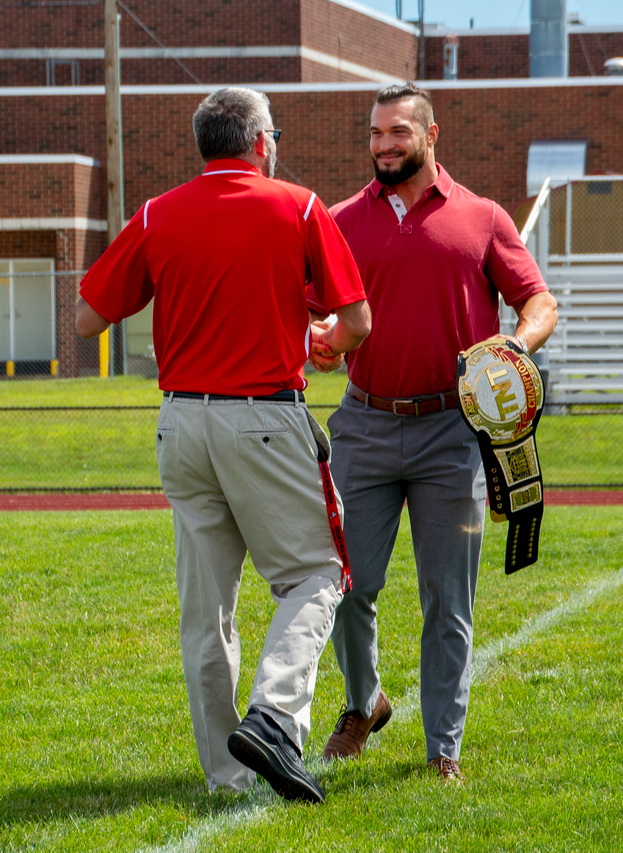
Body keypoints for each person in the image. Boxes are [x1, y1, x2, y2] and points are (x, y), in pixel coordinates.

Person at [76, 86, 371, 803]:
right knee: (316, 575)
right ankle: (273, 714)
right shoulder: (297, 206)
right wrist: (325, 339)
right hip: (264, 415)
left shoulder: (156, 213)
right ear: (261, 141)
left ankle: (227, 775)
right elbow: (355, 320)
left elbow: (87, 319)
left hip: (181, 421)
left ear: (203, 144)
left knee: (206, 606)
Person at [308, 83, 558, 781]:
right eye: (374, 133)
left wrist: (516, 346)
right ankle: (364, 703)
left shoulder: (481, 216)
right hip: (362, 422)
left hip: (453, 432)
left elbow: (537, 299)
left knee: (447, 599)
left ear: (429, 133)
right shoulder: (337, 221)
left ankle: (442, 747)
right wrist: (319, 338)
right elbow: (311, 312)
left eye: (396, 132)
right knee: (344, 585)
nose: (383, 144)